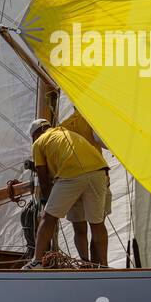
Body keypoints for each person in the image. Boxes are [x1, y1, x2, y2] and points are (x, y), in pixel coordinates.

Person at [28, 119, 110, 268]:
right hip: (99, 171)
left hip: (71, 175)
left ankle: (37, 261)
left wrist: (47, 199)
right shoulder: (66, 133)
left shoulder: (38, 142)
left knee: (48, 218)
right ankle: (104, 266)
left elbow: (42, 175)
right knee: (97, 223)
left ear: (35, 135)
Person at [56, 111, 111, 261]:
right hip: (97, 177)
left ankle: (84, 262)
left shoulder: (62, 127)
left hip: (72, 179)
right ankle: (100, 264)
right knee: (97, 225)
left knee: (79, 229)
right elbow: (106, 142)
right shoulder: (92, 118)